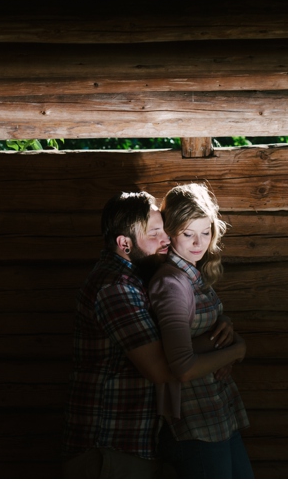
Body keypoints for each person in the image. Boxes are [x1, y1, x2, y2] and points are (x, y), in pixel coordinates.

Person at [61, 190, 246, 478]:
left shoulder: (137, 276)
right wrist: (231, 347)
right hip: (107, 446)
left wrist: (219, 327)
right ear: (124, 243)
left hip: (130, 439)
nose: (166, 239)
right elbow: (164, 368)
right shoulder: (116, 288)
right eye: (155, 233)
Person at [148, 183, 253, 478]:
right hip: (194, 419)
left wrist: (224, 330)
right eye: (188, 233)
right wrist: (236, 350)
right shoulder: (172, 284)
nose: (198, 243)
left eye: (205, 232)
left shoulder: (190, 274)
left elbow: (195, 335)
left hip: (216, 409)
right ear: (170, 232)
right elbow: (181, 366)